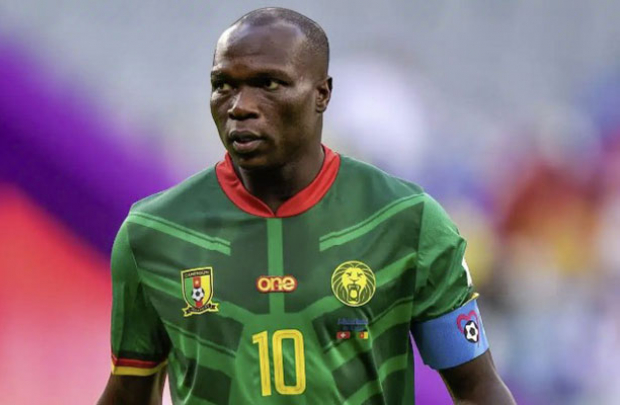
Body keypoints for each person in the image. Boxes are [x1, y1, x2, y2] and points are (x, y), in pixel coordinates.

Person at [98, 7, 516, 405]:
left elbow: (478, 390)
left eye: (268, 83)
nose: (240, 106)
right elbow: (130, 395)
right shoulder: (154, 233)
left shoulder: (407, 221)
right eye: (223, 85)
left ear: (322, 94)